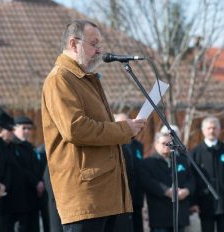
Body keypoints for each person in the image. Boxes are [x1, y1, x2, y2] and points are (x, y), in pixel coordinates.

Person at [41, 19, 146, 232]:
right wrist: (123, 129)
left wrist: (128, 129)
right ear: (73, 44)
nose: (99, 50)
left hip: (104, 196)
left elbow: (97, 129)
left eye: (100, 44)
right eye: (94, 43)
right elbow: (76, 129)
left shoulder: (85, 79)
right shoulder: (60, 79)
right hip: (85, 196)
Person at [190, 116, 224, 232]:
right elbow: (192, 179)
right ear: (203, 130)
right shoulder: (195, 152)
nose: (212, 131)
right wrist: (193, 202)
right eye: (209, 128)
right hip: (204, 202)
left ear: (219, 130)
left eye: (214, 128)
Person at [141, 132, 195, 232]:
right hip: (160, 215)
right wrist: (167, 191)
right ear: (156, 144)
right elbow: (148, 182)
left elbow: (191, 179)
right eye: (164, 143)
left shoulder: (182, 161)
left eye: (170, 144)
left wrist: (186, 190)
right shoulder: (147, 162)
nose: (167, 146)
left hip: (180, 214)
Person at [113, 113, 145, 232]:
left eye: (127, 122)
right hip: (119, 199)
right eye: (120, 123)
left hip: (136, 195)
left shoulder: (137, 145)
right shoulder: (114, 145)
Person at [12, 116, 44, 232]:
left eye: (29, 129)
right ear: (14, 129)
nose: (27, 131)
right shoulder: (12, 146)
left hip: (32, 198)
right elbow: (20, 169)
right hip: (20, 198)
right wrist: (36, 182)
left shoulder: (29, 147)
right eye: (23, 128)